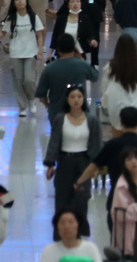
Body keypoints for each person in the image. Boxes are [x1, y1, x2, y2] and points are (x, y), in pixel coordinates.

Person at [42, 86, 100, 236]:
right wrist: (50, 164)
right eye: (72, 97)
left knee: (81, 199)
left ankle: (79, 233)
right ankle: (60, 233)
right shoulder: (61, 119)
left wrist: (96, 167)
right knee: (62, 200)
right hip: (65, 163)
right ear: (67, 99)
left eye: (79, 97)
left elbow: (95, 144)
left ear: (83, 99)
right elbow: (54, 141)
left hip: (84, 164)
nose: (76, 100)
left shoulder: (91, 120)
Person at [35, 35, 100, 123]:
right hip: (79, 114)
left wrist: (50, 107)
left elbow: (41, 95)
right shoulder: (82, 65)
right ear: (74, 48)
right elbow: (95, 77)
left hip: (56, 114)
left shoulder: (49, 68)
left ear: (58, 49)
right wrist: (81, 58)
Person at [0, 0, 45, 118]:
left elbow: (39, 34)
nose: (20, 1)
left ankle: (31, 100)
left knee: (29, 79)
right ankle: (22, 106)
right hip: (15, 53)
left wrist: (39, 50)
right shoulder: (11, 18)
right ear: (14, 3)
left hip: (31, 53)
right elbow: (3, 32)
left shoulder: (33, 16)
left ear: (26, 1)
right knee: (18, 80)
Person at [102, 34, 137, 135]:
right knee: (135, 145)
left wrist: (105, 104)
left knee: (119, 145)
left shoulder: (110, 67)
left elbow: (105, 90)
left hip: (116, 109)